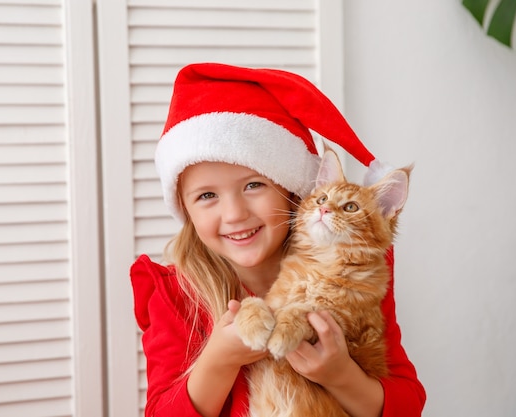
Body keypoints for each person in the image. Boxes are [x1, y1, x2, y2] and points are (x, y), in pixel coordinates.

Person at [130, 63, 426, 417]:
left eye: (254, 185)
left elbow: (408, 403)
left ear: (292, 189)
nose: (235, 213)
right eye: (207, 196)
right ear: (186, 210)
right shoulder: (174, 294)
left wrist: (340, 375)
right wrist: (220, 360)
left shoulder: (356, 273)